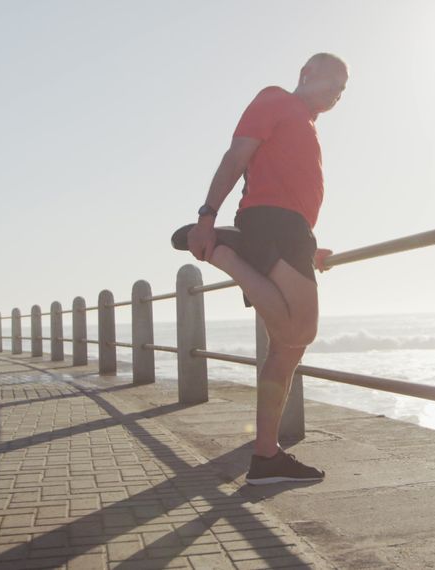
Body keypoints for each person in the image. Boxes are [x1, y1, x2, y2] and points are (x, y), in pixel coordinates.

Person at [172, 53, 348, 485]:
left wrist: (308, 250)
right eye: (331, 84)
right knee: (300, 332)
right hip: (272, 225)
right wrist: (207, 217)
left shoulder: (305, 126)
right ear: (306, 74)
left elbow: (292, 187)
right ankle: (227, 253)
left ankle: (266, 457)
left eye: (342, 91)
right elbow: (236, 157)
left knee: (286, 352)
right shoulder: (275, 100)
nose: (336, 95)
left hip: (290, 233)